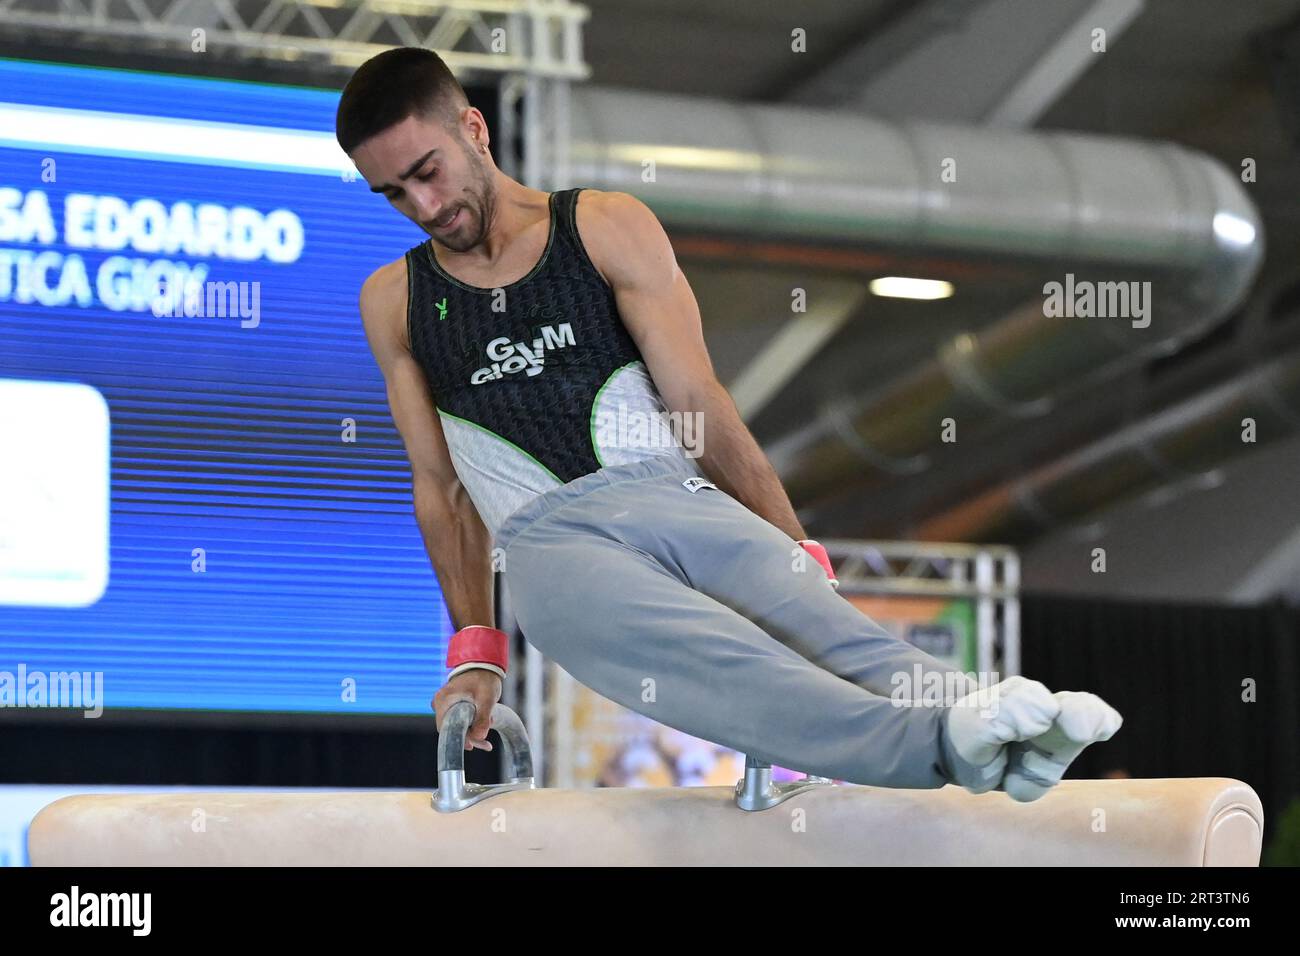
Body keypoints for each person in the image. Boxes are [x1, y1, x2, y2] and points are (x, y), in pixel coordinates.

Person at [335, 46, 1121, 800]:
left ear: (473, 129)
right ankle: (941, 746)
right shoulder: (396, 302)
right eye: (394, 194)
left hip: (676, 494)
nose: (424, 208)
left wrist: (796, 549)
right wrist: (476, 652)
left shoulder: (604, 226)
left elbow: (701, 406)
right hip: (552, 545)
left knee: (829, 629)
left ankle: (1004, 733)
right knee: (734, 664)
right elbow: (442, 490)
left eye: (426, 173)